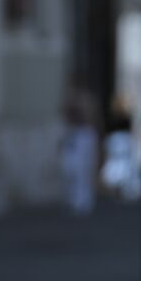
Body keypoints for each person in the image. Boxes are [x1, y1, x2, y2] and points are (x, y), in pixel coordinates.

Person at [59, 82, 100, 215]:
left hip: (85, 135)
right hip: (77, 135)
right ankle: (77, 199)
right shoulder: (74, 101)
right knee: (73, 168)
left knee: (84, 168)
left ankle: (83, 200)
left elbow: (91, 117)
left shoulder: (85, 100)